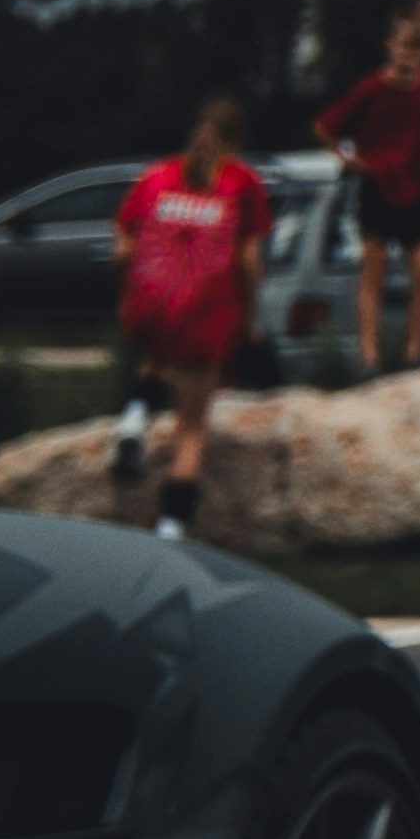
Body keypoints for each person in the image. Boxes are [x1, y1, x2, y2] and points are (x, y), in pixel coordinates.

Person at [111, 101, 271, 535]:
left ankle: (134, 417)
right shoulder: (241, 182)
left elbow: (123, 247)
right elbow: (249, 262)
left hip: (151, 299)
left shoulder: (157, 175)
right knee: (192, 427)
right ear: (236, 142)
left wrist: (132, 290)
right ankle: (172, 527)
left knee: (157, 355)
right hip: (205, 306)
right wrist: (249, 315)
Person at [330, 0, 420, 376]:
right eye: (403, 47)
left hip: (415, 186)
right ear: (389, 46)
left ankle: (414, 350)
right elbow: (329, 126)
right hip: (378, 185)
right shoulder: (371, 88)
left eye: (417, 49)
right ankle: (369, 356)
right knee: (374, 269)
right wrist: (350, 160)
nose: (409, 56)